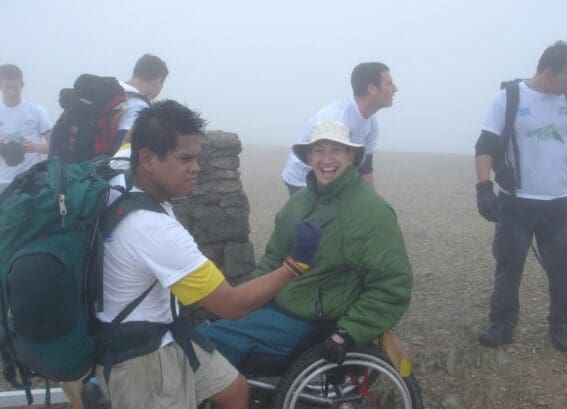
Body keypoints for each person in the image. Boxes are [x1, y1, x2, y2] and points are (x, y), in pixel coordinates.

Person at [94, 99, 322, 409]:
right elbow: (232, 306)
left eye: (197, 158)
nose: (197, 168)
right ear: (147, 159)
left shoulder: (119, 183)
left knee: (234, 390)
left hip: (166, 332)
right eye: (185, 159)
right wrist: (295, 265)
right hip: (141, 359)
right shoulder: (154, 230)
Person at [198, 120, 413, 367]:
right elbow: (272, 260)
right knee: (208, 328)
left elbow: (393, 283)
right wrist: (239, 299)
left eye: (336, 150)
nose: (326, 159)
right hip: (281, 306)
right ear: (309, 157)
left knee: (207, 341)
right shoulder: (299, 201)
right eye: (319, 150)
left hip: (316, 323)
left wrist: (350, 331)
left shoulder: (371, 212)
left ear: (350, 156)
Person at [475, 41, 567, 352]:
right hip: (516, 200)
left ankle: (561, 325)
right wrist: (483, 189)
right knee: (509, 263)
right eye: (566, 78)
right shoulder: (509, 98)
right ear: (547, 71)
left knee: (566, 265)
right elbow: (485, 147)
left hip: (559, 202)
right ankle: (501, 324)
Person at [281, 62, 397, 194]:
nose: (395, 88)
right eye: (389, 83)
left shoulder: (372, 122)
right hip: (304, 180)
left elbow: (365, 168)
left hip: (336, 174)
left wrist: (375, 204)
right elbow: (326, 162)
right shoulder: (336, 118)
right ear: (372, 89)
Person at [0, 64, 51, 192]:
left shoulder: (37, 112)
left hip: (32, 179)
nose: (12, 92)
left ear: (22, 85)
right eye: (7, 88)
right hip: (2, 181)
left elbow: (55, 146)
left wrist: (35, 147)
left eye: (15, 87)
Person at [112, 53, 169, 164]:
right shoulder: (138, 104)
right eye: (162, 85)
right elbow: (124, 148)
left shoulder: (114, 91)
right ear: (157, 82)